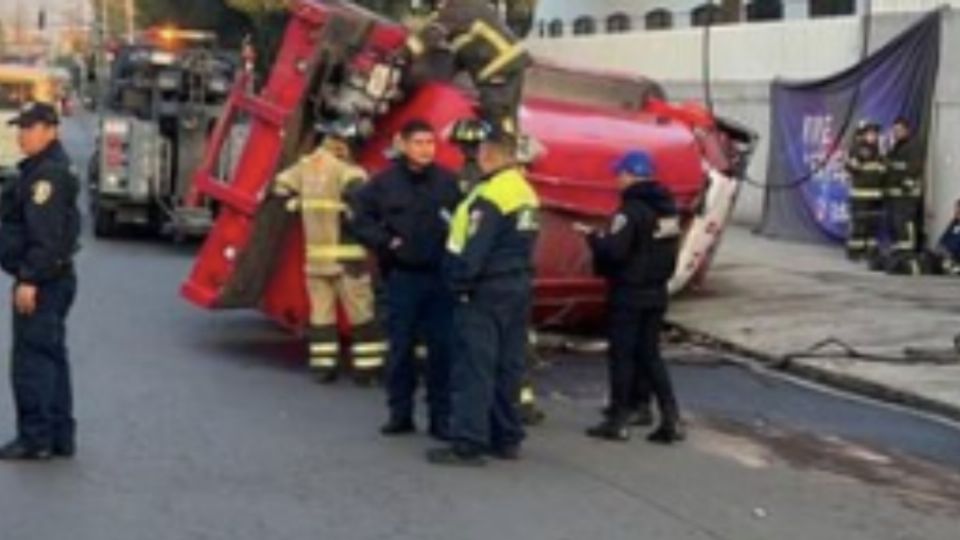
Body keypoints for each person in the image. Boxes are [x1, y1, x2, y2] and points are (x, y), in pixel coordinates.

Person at [427, 123, 540, 466]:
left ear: (487, 156)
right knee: (509, 365)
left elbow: (475, 249)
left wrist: (459, 285)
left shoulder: (489, 196)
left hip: (484, 290)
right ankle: (506, 437)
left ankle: (468, 442)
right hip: (516, 288)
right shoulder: (524, 191)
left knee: (474, 367)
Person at [348, 119, 461, 439]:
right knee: (401, 350)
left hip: (440, 279)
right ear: (403, 144)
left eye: (430, 143)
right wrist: (386, 242)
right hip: (402, 278)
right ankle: (400, 414)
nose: (425, 149)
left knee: (443, 350)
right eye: (419, 142)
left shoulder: (447, 183)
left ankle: (441, 418)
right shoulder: (383, 184)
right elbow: (360, 220)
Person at [576, 150, 684, 444]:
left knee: (622, 354)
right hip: (657, 291)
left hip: (629, 291)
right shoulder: (668, 209)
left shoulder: (629, 211)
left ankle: (618, 418)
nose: (617, 180)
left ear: (630, 175)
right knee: (650, 355)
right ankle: (670, 416)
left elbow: (615, 251)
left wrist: (594, 238)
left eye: (620, 174)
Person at [272, 117, 385, 384]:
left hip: (315, 260)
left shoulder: (305, 167)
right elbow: (362, 204)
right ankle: (366, 371)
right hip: (347, 259)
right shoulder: (350, 172)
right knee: (362, 316)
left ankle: (324, 368)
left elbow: (279, 187)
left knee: (321, 315)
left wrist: (296, 204)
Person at [0, 102, 80, 461]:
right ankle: (59, 435)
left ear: (51, 130)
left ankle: (35, 438)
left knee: (32, 360)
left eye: (30, 128)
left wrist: (29, 279)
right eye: (21, 127)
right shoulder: (41, 170)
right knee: (51, 357)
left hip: (42, 280)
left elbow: (45, 236)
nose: (22, 134)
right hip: (55, 278)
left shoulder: (47, 175)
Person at [403, 0, 530, 135]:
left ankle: (504, 149)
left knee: (497, 114)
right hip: (501, 65)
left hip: (501, 67)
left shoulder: (460, 7)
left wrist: (401, 55)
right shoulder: (453, 11)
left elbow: (429, 35)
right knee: (499, 114)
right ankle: (505, 145)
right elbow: (460, 50)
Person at [883, 118, 925, 274]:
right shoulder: (897, 146)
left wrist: (902, 179)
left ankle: (908, 253)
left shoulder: (913, 146)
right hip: (896, 194)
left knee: (905, 223)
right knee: (896, 223)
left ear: (907, 130)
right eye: (895, 130)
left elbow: (913, 168)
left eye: (899, 130)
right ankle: (900, 252)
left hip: (907, 194)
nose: (896, 133)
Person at [845, 121, 886, 262]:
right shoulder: (859, 149)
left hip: (875, 194)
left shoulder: (878, 150)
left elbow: (881, 171)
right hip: (861, 194)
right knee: (860, 223)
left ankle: (870, 251)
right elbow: (851, 168)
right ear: (863, 135)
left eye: (875, 133)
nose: (874, 136)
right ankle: (855, 251)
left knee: (872, 224)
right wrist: (857, 160)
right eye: (871, 133)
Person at [934, 199, 960, 275]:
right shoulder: (954, 223)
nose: (956, 213)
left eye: (958, 211)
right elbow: (943, 238)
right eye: (956, 211)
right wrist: (940, 247)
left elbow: (955, 243)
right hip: (948, 256)